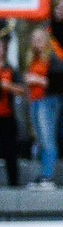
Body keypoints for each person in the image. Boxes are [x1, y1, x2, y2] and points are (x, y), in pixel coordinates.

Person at [24, 27, 59, 189]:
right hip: (35, 101)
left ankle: (48, 176)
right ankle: (43, 175)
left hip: (48, 101)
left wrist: (36, 79)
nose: (36, 42)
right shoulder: (33, 59)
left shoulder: (52, 59)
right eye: (34, 39)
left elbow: (57, 83)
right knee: (39, 140)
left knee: (47, 139)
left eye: (40, 38)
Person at [0, 31, 19, 186]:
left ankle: (14, 185)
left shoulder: (10, 68)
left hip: (7, 117)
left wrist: (7, 86)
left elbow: (22, 89)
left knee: (10, 154)